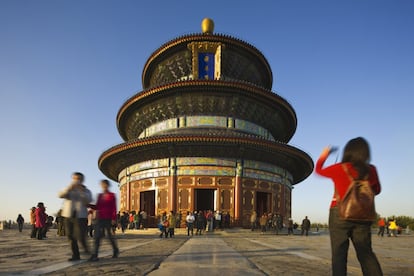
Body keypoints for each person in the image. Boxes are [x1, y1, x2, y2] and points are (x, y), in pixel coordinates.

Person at [315, 137, 383, 275]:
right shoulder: (371, 170)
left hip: (339, 212)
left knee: (339, 254)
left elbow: (318, 171)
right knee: (366, 253)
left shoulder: (339, 168)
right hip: (363, 215)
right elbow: (376, 190)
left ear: (348, 152)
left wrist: (324, 155)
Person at [58, 172, 92, 261]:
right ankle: (75, 255)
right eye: (75, 178)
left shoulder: (86, 190)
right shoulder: (68, 188)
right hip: (68, 215)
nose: (77, 181)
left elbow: (88, 200)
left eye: (79, 179)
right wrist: (69, 189)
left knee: (80, 235)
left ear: (82, 180)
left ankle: (87, 250)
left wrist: (81, 191)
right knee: (70, 236)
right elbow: (60, 195)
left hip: (81, 216)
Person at [89, 180, 119, 261]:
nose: (103, 186)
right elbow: (97, 207)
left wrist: (113, 218)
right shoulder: (100, 195)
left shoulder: (112, 195)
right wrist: (90, 206)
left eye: (105, 184)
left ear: (108, 185)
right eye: (102, 185)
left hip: (108, 218)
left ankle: (115, 250)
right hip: (100, 218)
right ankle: (94, 255)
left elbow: (114, 207)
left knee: (109, 236)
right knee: (97, 236)